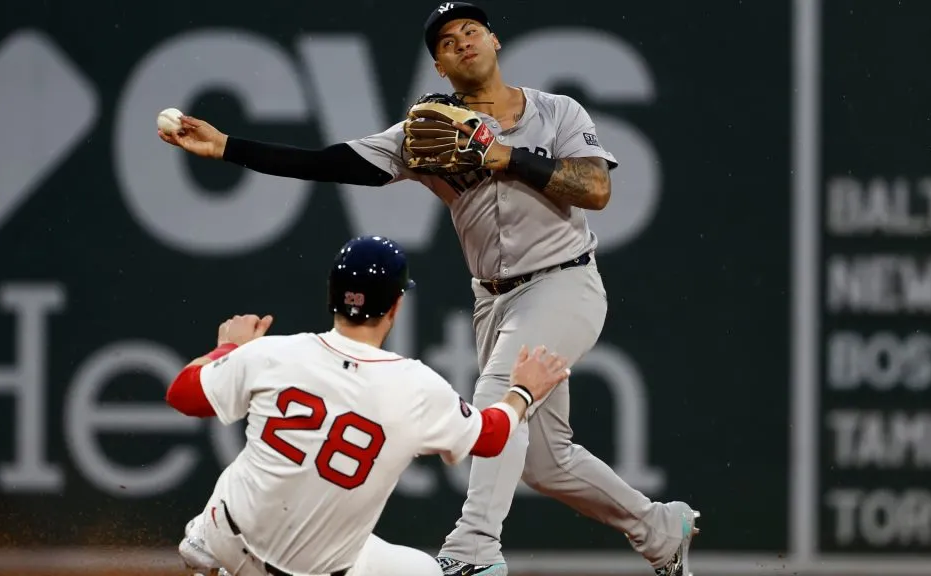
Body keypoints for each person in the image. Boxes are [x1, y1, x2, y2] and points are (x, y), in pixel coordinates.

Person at [157, 3, 699, 575]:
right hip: (494, 297)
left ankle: (473, 553)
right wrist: (229, 147)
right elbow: (335, 163)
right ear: (439, 66)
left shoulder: (556, 111)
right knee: (544, 461)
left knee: (498, 392)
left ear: (493, 40)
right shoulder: (426, 131)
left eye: (470, 30)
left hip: (565, 281)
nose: (461, 41)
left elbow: (594, 189)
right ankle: (659, 529)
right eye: (446, 40)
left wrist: (506, 156)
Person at [164, 235, 571, 576]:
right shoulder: (415, 386)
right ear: (395, 306)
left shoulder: (274, 353)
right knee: (427, 573)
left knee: (256, 462)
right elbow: (492, 436)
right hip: (310, 572)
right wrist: (522, 391)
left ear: (332, 296)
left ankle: (206, 533)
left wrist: (228, 349)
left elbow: (182, 394)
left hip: (228, 535)